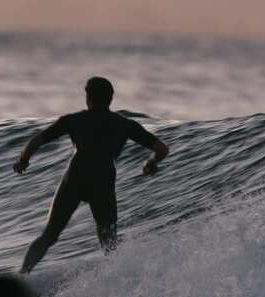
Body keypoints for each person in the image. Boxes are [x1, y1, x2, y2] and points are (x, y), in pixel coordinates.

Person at [13, 76, 169, 274]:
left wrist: (23, 160)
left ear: (88, 97)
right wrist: (150, 163)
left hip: (75, 179)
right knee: (109, 242)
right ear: (111, 98)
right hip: (102, 182)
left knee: (50, 234)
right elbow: (162, 148)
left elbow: (37, 140)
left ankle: (22, 277)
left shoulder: (74, 120)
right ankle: (118, 283)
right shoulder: (125, 124)